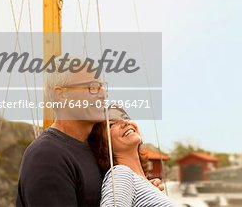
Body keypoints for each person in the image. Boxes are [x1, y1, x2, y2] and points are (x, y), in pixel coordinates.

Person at [16, 58, 163, 206]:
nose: (103, 94)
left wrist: (145, 194)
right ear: (61, 94)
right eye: (92, 87)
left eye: (102, 87)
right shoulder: (47, 155)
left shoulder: (95, 150)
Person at [89, 108, 176, 207]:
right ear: (102, 145)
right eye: (112, 124)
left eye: (125, 117)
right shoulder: (121, 174)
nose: (125, 122)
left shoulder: (139, 183)